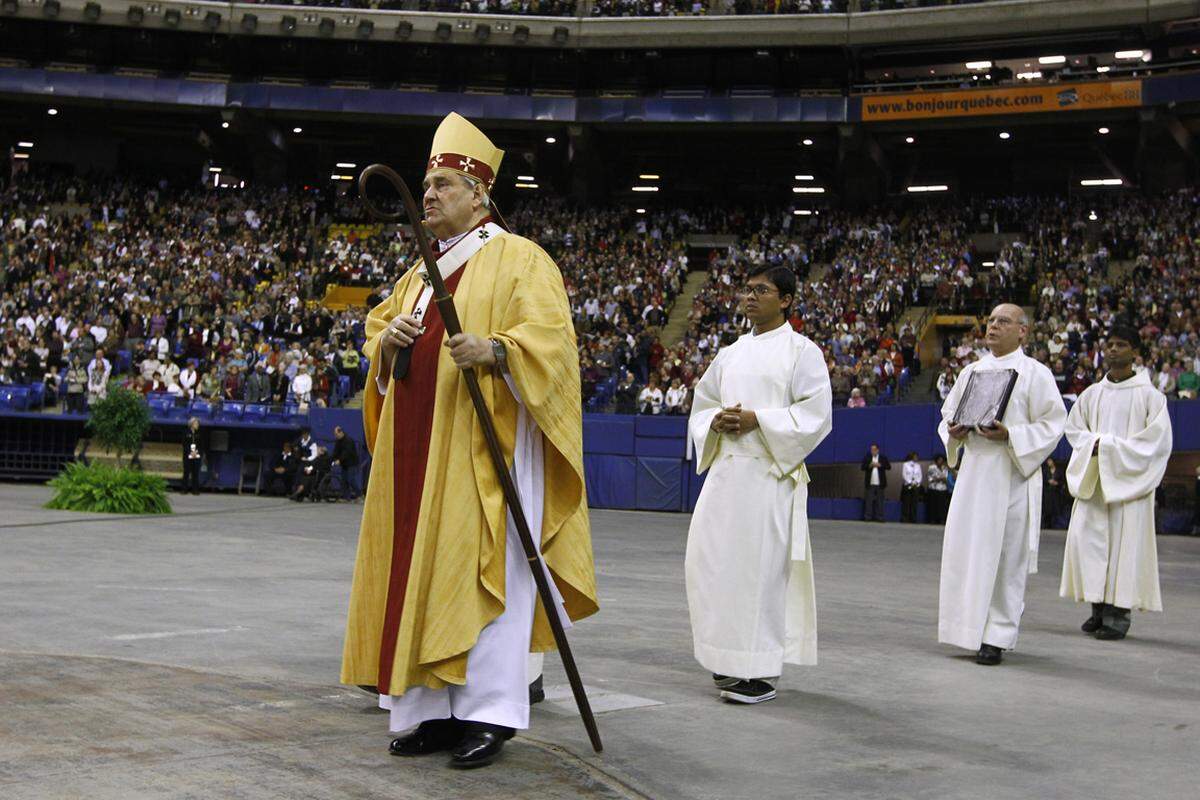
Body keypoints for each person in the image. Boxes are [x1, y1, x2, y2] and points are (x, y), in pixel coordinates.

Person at [341, 113, 597, 769]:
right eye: (426, 184)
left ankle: (487, 714)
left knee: (488, 574)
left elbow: (555, 349)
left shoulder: (521, 260)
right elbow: (376, 344)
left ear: (481, 195)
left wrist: (498, 350)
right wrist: (386, 346)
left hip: (487, 453)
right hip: (416, 460)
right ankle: (428, 713)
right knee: (421, 573)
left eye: (445, 184)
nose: (429, 195)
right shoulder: (416, 279)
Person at [685, 264, 833, 704]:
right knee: (712, 567)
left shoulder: (802, 351)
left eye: (761, 290)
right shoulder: (729, 353)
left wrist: (758, 419)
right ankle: (726, 659)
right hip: (726, 474)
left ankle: (759, 672)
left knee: (760, 573)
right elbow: (702, 403)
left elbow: (817, 415)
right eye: (747, 290)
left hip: (770, 476)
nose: (750, 297)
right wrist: (715, 419)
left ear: (786, 299)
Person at [938, 304, 1066, 666]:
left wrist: (1012, 435)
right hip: (975, 473)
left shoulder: (1036, 374)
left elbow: (1053, 424)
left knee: (1006, 559)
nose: (993, 326)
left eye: (1003, 321)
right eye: (991, 320)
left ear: (1023, 331)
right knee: (969, 553)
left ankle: (996, 635)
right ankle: (966, 629)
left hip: (1011, 475)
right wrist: (954, 431)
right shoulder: (971, 371)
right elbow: (948, 414)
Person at [1060, 326, 1173, 641]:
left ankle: (1118, 616)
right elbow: (1075, 430)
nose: (1113, 350)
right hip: (1096, 481)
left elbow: (1157, 444)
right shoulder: (1092, 394)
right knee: (1091, 547)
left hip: (1128, 488)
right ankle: (1097, 609)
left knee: (1124, 550)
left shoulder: (1150, 397)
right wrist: (1094, 446)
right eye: (1109, 345)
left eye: (1121, 345)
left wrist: (1107, 448)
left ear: (1134, 351)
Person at [860, 444, 890, 522]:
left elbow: (889, 467)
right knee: (869, 501)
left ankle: (880, 517)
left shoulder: (883, 458)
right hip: (870, 483)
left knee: (880, 501)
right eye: (871, 450)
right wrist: (870, 465)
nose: (872, 451)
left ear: (877, 450)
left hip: (880, 483)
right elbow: (862, 467)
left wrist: (880, 465)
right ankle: (868, 517)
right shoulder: (868, 457)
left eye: (874, 450)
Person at [331, 425, 361, 501]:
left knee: (350, 479)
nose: (335, 436)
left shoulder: (348, 441)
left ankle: (359, 495)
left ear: (341, 432)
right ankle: (346, 497)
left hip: (352, 463)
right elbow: (335, 452)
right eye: (335, 434)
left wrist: (339, 460)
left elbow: (347, 453)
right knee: (344, 480)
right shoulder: (338, 441)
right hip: (344, 464)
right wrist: (332, 459)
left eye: (336, 434)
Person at [181, 417, 204, 494]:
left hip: (196, 454)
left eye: (198, 423)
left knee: (195, 473)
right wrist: (190, 451)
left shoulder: (199, 433)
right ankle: (184, 489)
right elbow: (184, 443)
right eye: (196, 423)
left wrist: (197, 452)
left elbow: (201, 445)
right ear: (191, 424)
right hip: (188, 454)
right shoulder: (186, 433)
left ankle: (195, 490)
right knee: (186, 472)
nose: (197, 425)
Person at [1041, 458, 1065, 529]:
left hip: (1056, 493)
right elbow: (1043, 481)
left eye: (1050, 461)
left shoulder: (1059, 471)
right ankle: (1046, 525)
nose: (1049, 463)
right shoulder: (1045, 471)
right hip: (1048, 493)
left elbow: (1062, 481)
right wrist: (1048, 482)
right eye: (1048, 461)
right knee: (1047, 510)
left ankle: (1056, 525)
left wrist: (1057, 483)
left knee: (1056, 509)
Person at [925, 455, 950, 525]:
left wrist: (938, 479)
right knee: (933, 505)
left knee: (942, 506)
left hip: (942, 489)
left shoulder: (945, 468)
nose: (940, 461)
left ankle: (941, 519)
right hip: (933, 488)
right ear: (936, 460)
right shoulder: (931, 468)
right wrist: (939, 479)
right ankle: (932, 519)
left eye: (942, 460)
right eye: (939, 460)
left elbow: (945, 479)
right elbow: (930, 479)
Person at [901, 452, 922, 523]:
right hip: (907, 485)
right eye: (915, 456)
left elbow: (920, 475)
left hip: (915, 486)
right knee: (906, 503)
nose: (917, 458)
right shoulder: (905, 465)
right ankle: (905, 518)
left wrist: (916, 482)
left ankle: (913, 518)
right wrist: (910, 482)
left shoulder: (918, 465)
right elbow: (904, 475)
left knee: (914, 503)